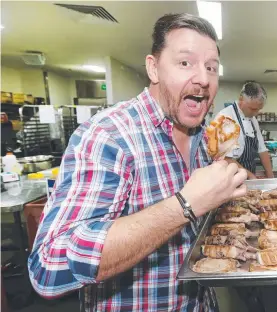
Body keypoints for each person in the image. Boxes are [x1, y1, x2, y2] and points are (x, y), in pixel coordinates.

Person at [27, 13, 247, 311]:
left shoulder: (203, 137)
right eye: (185, 63)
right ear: (153, 68)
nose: (204, 79)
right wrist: (185, 205)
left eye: (212, 67)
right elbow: (48, 268)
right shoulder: (109, 135)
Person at [214, 81, 274, 179]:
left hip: (249, 176)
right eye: (253, 109)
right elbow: (226, 159)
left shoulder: (252, 119)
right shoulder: (225, 118)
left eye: (258, 109)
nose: (256, 113)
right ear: (241, 99)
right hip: (230, 178)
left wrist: (270, 175)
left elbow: (262, 149)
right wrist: (251, 177)